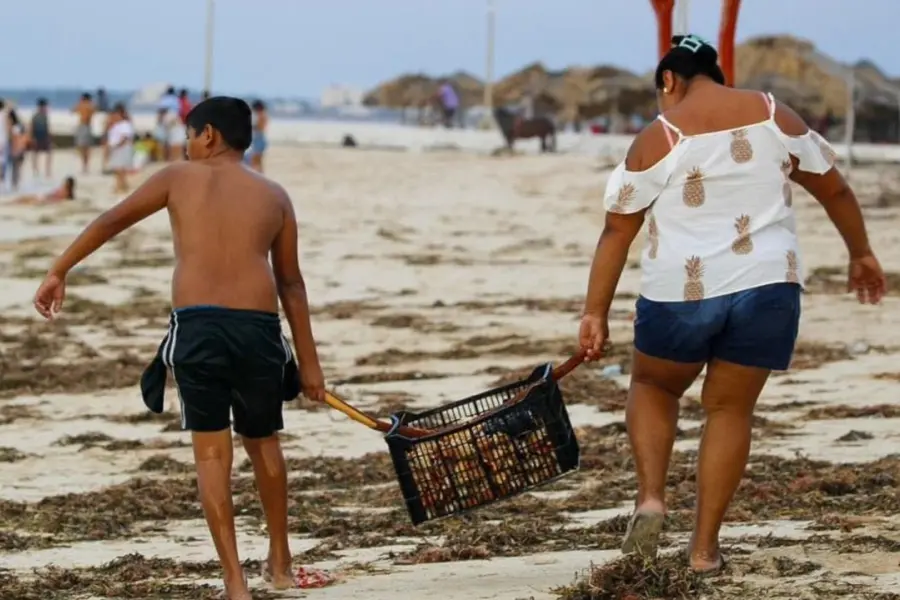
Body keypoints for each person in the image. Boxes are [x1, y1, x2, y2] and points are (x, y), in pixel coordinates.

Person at [578, 35, 886, 574]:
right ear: (714, 73)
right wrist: (860, 254)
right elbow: (834, 190)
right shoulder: (772, 113)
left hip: (681, 293)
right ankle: (704, 551)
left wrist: (594, 312)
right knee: (729, 409)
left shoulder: (659, 135)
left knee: (654, 385)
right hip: (768, 286)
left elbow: (616, 230)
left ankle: (651, 496)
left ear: (669, 80)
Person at [32, 96, 326, 600]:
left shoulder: (176, 177)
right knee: (264, 442)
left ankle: (235, 584)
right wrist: (312, 366)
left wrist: (60, 268)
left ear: (208, 135)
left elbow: (110, 221)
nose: (187, 145)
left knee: (212, 456)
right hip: (259, 329)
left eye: (190, 136)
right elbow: (292, 286)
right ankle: (280, 564)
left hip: (198, 329)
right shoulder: (275, 195)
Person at [106, 104, 135, 193]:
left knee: (120, 169)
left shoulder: (124, 124)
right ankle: (122, 185)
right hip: (117, 148)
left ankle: (120, 186)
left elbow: (125, 137)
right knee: (118, 168)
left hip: (121, 148)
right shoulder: (116, 125)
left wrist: (117, 145)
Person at [10, 176, 76, 205]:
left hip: (45, 201)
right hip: (45, 199)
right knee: (23, 199)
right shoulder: (64, 190)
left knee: (23, 200)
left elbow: (55, 198)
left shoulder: (64, 191)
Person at [72, 93, 95, 173]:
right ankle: (85, 166)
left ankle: (84, 166)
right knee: (86, 148)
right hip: (87, 126)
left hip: (83, 126)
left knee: (83, 147)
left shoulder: (83, 105)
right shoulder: (90, 106)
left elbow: (73, 110)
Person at [30, 98, 52, 179]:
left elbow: (47, 127)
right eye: (45, 106)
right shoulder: (36, 116)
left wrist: (49, 137)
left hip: (44, 137)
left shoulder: (45, 116)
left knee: (48, 154)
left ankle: (47, 171)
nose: (46, 108)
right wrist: (32, 138)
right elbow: (31, 127)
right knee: (35, 154)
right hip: (37, 137)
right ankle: (35, 170)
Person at [7, 109, 29, 191]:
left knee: (15, 168)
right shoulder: (20, 126)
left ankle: (14, 185)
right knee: (17, 168)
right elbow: (24, 137)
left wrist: (14, 150)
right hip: (21, 149)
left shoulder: (15, 128)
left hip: (17, 149)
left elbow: (16, 139)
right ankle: (16, 185)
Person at [245, 100, 268, 172]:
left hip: (259, 140)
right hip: (260, 140)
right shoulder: (262, 115)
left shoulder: (262, 116)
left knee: (255, 161)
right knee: (257, 162)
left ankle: (259, 177)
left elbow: (259, 127)